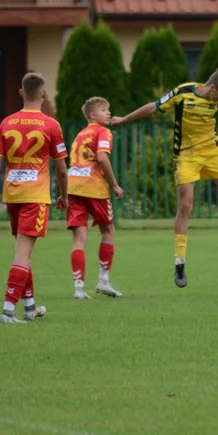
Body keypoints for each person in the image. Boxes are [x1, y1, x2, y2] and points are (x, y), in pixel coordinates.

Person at [111, 68, 218, 288]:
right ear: (212, 87)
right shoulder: (182, 92)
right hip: (186, 155)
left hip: (212, 151)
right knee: (185, 204)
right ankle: (180, 263)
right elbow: (153, 108)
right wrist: (124, 119)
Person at [0, 73, 68, 324]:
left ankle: (29, 307)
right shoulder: (52, 125)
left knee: (23, 251)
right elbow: (61, 169)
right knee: (22, 255)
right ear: (43, 94)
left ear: (21, 93)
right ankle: (8, 311)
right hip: (36, 196)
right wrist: (64, 195)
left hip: (13, 195)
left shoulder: (7, 123)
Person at [66, 97, 124, 300]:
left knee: (79, 239)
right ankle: (103, 281)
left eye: (108, 109)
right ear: (92, 115)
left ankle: (79, 288)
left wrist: (62, 192)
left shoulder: (79, 136)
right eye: (103, 110)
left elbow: (73, 164)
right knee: (108, 231)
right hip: (94, 188)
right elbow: (101, 157)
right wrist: (115, 185)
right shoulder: (103, 131)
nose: (108, 113)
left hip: (73, 188)